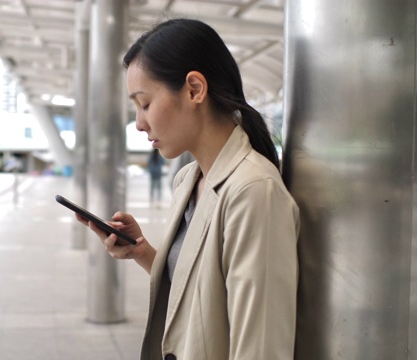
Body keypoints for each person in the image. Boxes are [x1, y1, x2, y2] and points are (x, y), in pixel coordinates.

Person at [76, 18, 299, 360]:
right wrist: (145, 253)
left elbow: (261, 345)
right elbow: (201, 289)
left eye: (145, 103)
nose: (138, 122)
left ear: (195, 89)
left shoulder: (254, 191)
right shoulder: (188, 179)